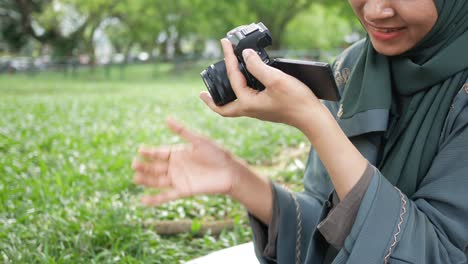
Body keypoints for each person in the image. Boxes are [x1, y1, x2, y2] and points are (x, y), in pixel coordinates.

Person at [132, 0, 468, 263]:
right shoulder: (354, 69)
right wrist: (240, 181)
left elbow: (438, 254)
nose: (376, 11)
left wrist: (314, 120)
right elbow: (334, 236)